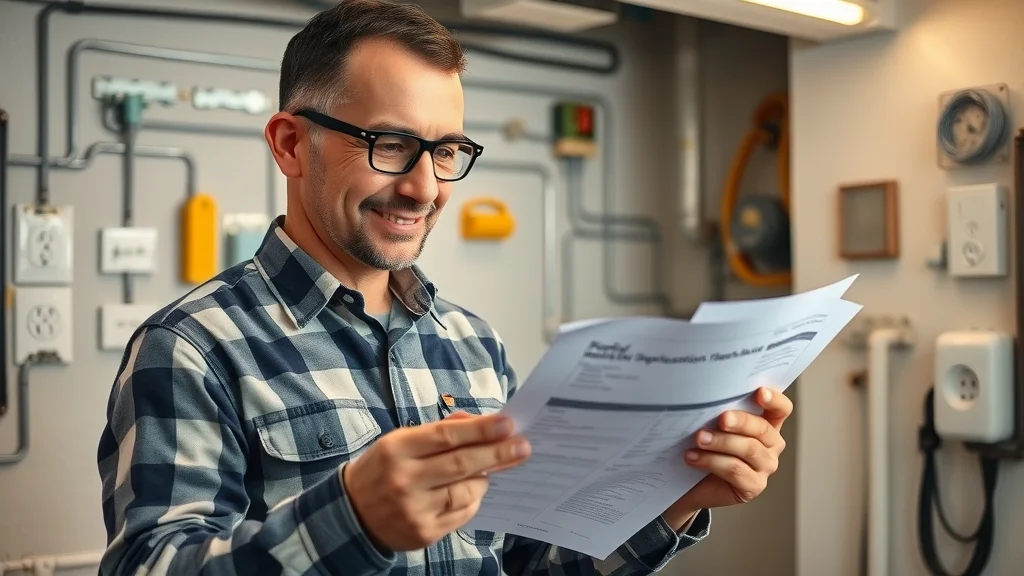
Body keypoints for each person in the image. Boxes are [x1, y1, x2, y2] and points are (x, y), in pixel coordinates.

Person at [96, 0, 794, 574]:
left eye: (447, 151)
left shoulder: (470, 343)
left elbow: (527, 561)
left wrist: (671, 500)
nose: (425, 187)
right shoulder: (193, 347)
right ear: (289, 144)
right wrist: (351, 520)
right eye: (391, 145)